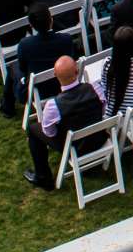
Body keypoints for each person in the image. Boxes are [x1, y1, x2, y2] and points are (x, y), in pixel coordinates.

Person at [26, 56, 108, 187]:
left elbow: (49, 132)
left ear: (55, 76)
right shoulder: (95, 88)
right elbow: (103, 110)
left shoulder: (53, 105)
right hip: (99, 139)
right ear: (77, 71)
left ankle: (43, 177)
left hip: (76, 147)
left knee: (33, 129)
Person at [8, 2, 82, 120]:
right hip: (64, 82)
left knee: (13, 67)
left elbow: (23, 69)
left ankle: (7, 106)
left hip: (40, 90)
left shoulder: (25, 45)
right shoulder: (66, 39)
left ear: (31, 25)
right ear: (51, 20)